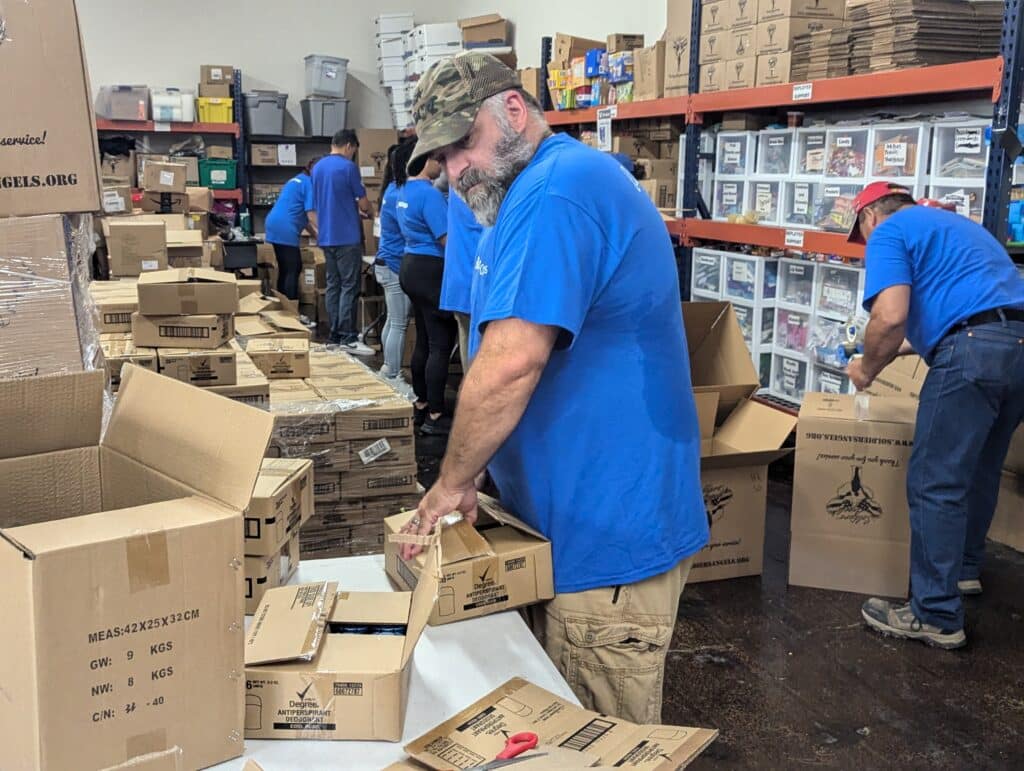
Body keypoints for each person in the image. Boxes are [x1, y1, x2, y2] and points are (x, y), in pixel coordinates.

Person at [399, 53, 709, 724]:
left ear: (514, 110)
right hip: (558, 522)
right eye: (441, 158)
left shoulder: (556, 191)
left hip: (606, 536)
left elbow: (510, 363)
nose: (453, 171)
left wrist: (453, 481)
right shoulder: (515, 197)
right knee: (554, 725)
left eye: (462, 145)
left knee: (594, 739)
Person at [845, 181, 1024, 650]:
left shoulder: (888, 232)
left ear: (868, 217)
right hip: (1015, 347)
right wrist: (892, 354)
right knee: (981, 467)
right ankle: (963, 572)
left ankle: (936, 615)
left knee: (933, 480)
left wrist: (866, 367)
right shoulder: (955, 226)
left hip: (972, 350)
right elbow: (961, 318)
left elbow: (889, 316)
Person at [394, 140, 456, 436]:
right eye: (435, 158)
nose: (439, 163)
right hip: (431, 269)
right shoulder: (430, 195)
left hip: (410, 266)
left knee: (423, 338)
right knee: (440, 343)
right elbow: (447, 239)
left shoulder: (404, 190)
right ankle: (436, 413)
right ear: (422, 161)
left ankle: (420, 404)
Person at [310, 129, 374, 355]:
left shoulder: (317, 168)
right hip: (347, 236)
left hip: (326, 235)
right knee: (350, 285)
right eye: (354, 150)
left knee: (333, 286)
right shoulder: (348, 168)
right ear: (349, 146)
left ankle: (335, 335)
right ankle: (348, 336)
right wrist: (369, 211)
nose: (353, 155)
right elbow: (364, 203)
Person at [374, 139, 415, 387]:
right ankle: (392, 375)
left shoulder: (389, 190)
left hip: (385, 260)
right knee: (399, 322)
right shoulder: (399, 192)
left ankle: (387, 368)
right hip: (393, 263)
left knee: (392, 320)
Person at [441, 189, 484, 373]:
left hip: (459, 277)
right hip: (475, 278)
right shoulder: (485, 188)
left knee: (467, 342)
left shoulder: (457, 183)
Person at [264, 157, 318, 300]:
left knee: (285, 268)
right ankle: (291, 309)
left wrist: (316, 235)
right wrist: (326, 234)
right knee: (293, 268)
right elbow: (311, 215)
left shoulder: (296, 180)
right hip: (285, 227)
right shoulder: (309, 185)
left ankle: (282, 306)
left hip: (274, 223)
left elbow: (304, 218)